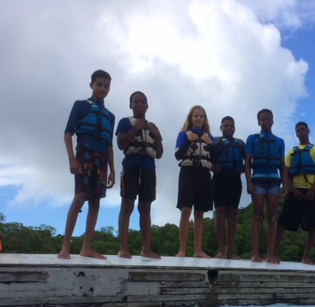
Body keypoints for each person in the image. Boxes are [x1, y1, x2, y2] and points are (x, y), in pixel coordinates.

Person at [58, 69, 116, 260]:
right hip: (84, 154)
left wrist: (113, 170)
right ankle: (66, 245)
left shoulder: (110, 116)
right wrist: (71, 158)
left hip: (102, 158)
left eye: (106, 86)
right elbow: (68, 133)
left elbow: (109, 145)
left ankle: (87, 247)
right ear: (91, 85)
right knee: (80, 197)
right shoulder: (81, 106)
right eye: (99, 85)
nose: (102, 89)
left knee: (96, 201)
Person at [116, 91, 163, 259]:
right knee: (127, 206)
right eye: (136, 102)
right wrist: (135, 128)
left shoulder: (153, 127)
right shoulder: (125, 122)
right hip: (131, 166)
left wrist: (156, 135)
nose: (139, 104)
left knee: (145, 208)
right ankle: (123, 248)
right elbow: (121, 144)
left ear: (147, 105)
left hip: (149, 168)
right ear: (131, 105)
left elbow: (159, 154)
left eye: (143, 102)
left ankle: (146, 249)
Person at [273, 121, 315, 265]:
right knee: (282, 222)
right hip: (294, 191)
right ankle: (274, 254)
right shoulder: (291, 152)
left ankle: (306, 257)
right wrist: (292, 190)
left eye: (303, 129)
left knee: (313, 225)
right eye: (298, 130)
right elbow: (286, 173)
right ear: (296, 134)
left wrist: (312, 190)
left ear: (308, 131)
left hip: (312, 191)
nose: (301, 132)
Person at [244, 109, 285, 263]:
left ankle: (271, 254)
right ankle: (255, 254)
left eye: (268, 119)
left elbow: (282, 165)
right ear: (259, 122)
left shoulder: (280, 141)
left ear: (273, 121)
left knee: (272, 216)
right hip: (258, 180)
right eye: (263, 119)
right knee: (257, 215)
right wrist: (248, 181)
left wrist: (285, 184)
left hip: (274, 181)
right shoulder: (252, 139)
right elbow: (248, 162)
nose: (266, 121)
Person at [174, 105, 215, 258]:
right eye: (196, 116)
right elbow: (178, 155)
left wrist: (210, 144)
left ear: (204, 119)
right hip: (187, 172)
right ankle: (182, 250)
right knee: (186, 210)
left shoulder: (209, 137)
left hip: (204, 174)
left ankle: (198, 250)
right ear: (191, 118)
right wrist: (188, 141)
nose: (198, 119)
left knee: (199, 213)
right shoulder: (183, 134)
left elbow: (215, 159)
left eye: (201, 116)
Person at [212, 116, 245, 259]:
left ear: (234, 128)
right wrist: (212, 167)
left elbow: (249, 159)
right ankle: (221, 251)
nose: (229, 128)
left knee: (232, 214)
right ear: (221, 127)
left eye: (231, 126)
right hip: (219, 179)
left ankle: (229, 251)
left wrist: (244, 168)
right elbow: (207, 158)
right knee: (220, 213)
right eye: (226, 126)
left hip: (235, 179)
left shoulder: (240, 143)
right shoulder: (214, 141)